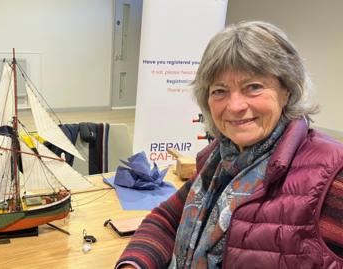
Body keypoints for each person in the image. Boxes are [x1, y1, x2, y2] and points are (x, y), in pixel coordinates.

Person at [117, 21, 343, 268]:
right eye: (220, 91)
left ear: (287, 90)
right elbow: (167, 219)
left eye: (253, 87)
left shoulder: (332, 176)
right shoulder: (219, 159)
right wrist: (133, 264)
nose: (234, 106)